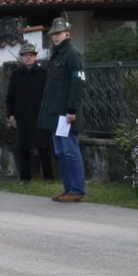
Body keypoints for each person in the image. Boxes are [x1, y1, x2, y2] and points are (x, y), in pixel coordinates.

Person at [37, 17, 87, 203]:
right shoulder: (57, 55)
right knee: (61, 153)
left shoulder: (72, 54)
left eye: (58, 33)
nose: (55, 36)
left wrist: (71, 109)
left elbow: (78, 82)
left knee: (70, 151)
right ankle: (69, 189)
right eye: (53, 34)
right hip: (56, 115)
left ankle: (77, 189)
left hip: (66, 114)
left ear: (67, 34)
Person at [6, 42, 54, 185]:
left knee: (44, 147)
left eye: (31, 55)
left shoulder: (44, 73)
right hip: (22, 116)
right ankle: (25, 178)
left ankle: (48, 177)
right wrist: (11, 115)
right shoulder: (16, 75)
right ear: (22, 57)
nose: (28, 58)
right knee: (23, 147)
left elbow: (50, 95)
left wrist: (49, 113)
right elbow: (10, 97)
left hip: (40, 116)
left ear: (35, 57)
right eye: (25, 55)